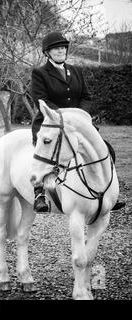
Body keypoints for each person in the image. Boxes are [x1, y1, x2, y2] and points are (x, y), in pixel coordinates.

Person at [31, 31, 125, 213]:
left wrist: (79, 116)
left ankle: (109, 191)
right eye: (56, 48)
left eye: (62, 48)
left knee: (106, 149)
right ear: (47, 52)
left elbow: (86, 97)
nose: (60, 51)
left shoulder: (75, 71)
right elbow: (41, 100)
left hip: (77, 124)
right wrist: (63, 115)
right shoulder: (40, 73)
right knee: (41, 152)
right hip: (51, 122)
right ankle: (39, 193)